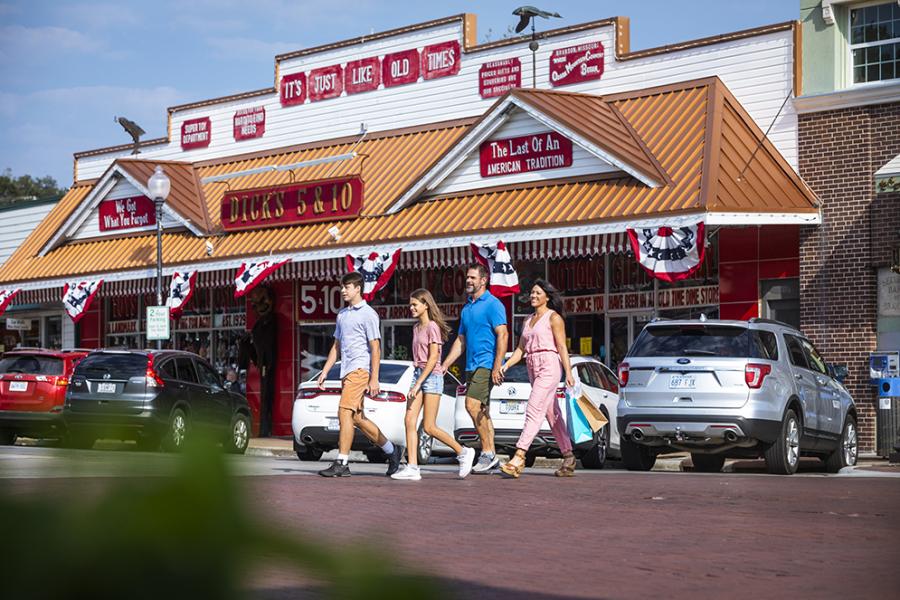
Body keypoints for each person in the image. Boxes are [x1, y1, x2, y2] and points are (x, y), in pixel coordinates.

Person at [317, 272, 404, 477]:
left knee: (344, 413)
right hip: (346, 372)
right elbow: (336, 346)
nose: (343, 290)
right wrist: (325, 371)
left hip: (359, 370)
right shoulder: (342, 315)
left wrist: (374, 377)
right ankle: (392, 451)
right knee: (357, 418)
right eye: (342, 287)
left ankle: (342, 462)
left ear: (358, 288)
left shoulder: (368, 314)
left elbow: (375, 348)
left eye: (347, 287)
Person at [391, 289, 477, 481]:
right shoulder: (416, 328)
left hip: (432, 377)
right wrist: (416, 380)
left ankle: (463, 451)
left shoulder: (432, 327)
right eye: (410, 304)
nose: (411, 308)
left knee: (429, 426)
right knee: (409, 420)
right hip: (418, 374)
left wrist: (418, 383)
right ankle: (412, 467)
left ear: (426, 305)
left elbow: (433, 359)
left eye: (415, 304)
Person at [499, 279, 576, 478]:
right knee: (552, 414)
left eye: (537, 293)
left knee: (533, 408)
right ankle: (568, 456)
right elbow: (520, 349)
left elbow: (561, 347)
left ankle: (519, 456)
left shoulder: (554, 318)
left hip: (549, 364)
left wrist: (568, 372)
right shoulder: (527, 320)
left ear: (547, 297)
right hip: (532, 365)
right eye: (532, 293)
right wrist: (506, 365)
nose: (533, 296)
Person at [440, 263, 508, 473]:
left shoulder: (493, 304)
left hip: (486, 364)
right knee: (482, 411)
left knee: (471, 405)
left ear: (483, 280)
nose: (468, 281)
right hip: (471, 365)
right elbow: (461, 341)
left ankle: (487, 453)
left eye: (472, 278)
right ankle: (492, 456)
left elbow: (503, 334)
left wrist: (497, 366)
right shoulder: (467, 307)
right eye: (467, 278)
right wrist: (445, 364)